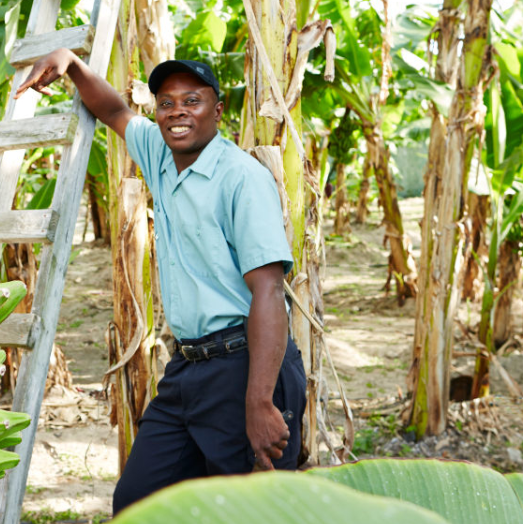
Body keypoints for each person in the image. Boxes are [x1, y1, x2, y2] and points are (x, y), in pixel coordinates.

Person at [16, 49, 308, 514]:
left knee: (250, 511)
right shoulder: (161, 155)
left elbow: (269, 291)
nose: (177, 113)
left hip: (245, 365)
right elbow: (114, 110)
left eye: (192, 101)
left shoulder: (240, 178)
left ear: (218, 110)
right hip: (188, 367)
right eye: (166, 103)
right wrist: (71, 64)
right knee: (138, 503)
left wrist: (259, 402)